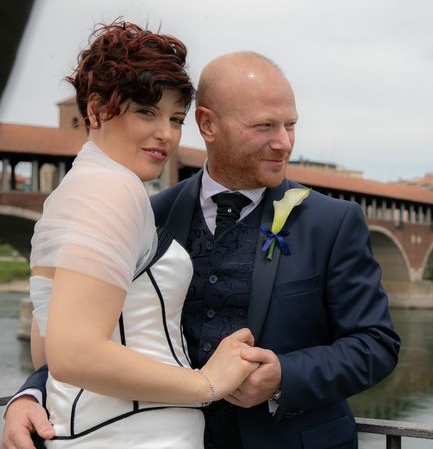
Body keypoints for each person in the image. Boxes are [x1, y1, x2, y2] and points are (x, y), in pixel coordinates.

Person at [3, 51, 401, 448]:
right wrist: (32, 394)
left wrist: (285, 375)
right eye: (264, 126)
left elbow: (376, 344)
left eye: (290, 125)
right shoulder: (148, 212)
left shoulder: (332, 222)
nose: (284, 143)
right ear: (208, 124)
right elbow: (86, 320)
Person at [4, 22, 259, 448]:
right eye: (146, 111)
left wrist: (28, 393)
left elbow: (45, 350)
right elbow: (73, 354)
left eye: (176, 118)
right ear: (97, 109)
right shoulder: (111, 190)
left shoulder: (73, 191)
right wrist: (207, 384)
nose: (167, 133)